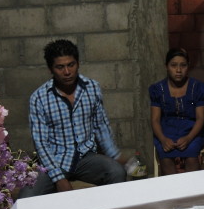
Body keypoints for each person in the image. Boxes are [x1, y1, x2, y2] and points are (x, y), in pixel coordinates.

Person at [19, 39, 126, 197]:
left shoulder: (92, 88)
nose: (67, 72)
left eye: (71, 65)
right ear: (51, 69)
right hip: (55, 160)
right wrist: (59, 178)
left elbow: (101, 126)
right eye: (60, 67)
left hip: (86, 158)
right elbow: (41, 143)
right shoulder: (39, 97)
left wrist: (115, 155)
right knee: (26, 197)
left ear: (78, 64)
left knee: (117, 172)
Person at [149, 48, 204, 175]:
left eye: (183, 65)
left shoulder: (197, 88)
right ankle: (173, 191)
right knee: (165, 156)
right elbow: (155, 119)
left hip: (192, 130)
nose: (178, 70)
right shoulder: (158, 89)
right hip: (166, 130)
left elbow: (200, 118)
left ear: (188, 66)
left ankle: (193, 191)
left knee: (192, 156)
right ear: (166, 66)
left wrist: (188, 138)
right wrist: (163, 139)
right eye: (173, 65)